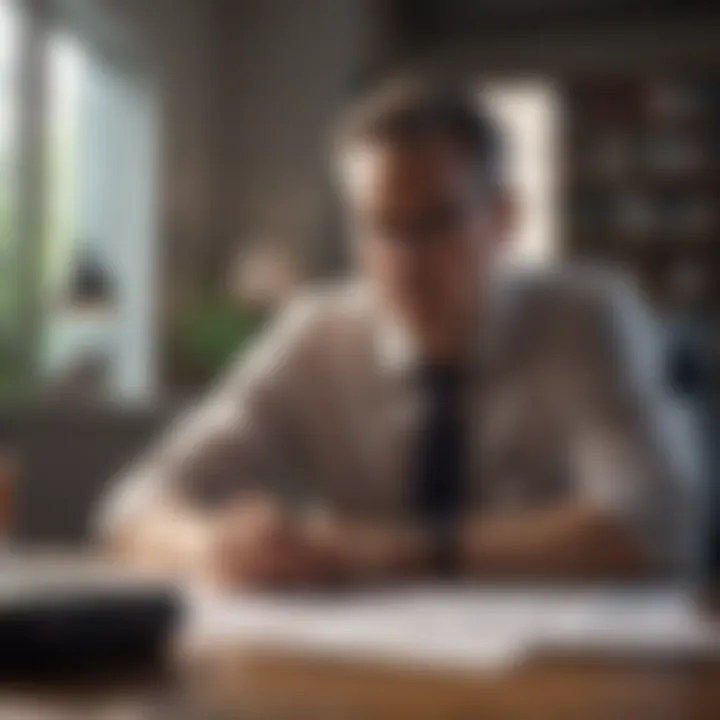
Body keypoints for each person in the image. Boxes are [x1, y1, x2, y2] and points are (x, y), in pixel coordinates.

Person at [98, 77, 692, 589]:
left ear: (505, 217)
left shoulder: (587, 317)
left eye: (436, 221)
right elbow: (131, 506)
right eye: (378, 227)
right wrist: (218, 548)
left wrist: (406, 549)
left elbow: (659, 525)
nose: (404, 259)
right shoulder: (316, 334)